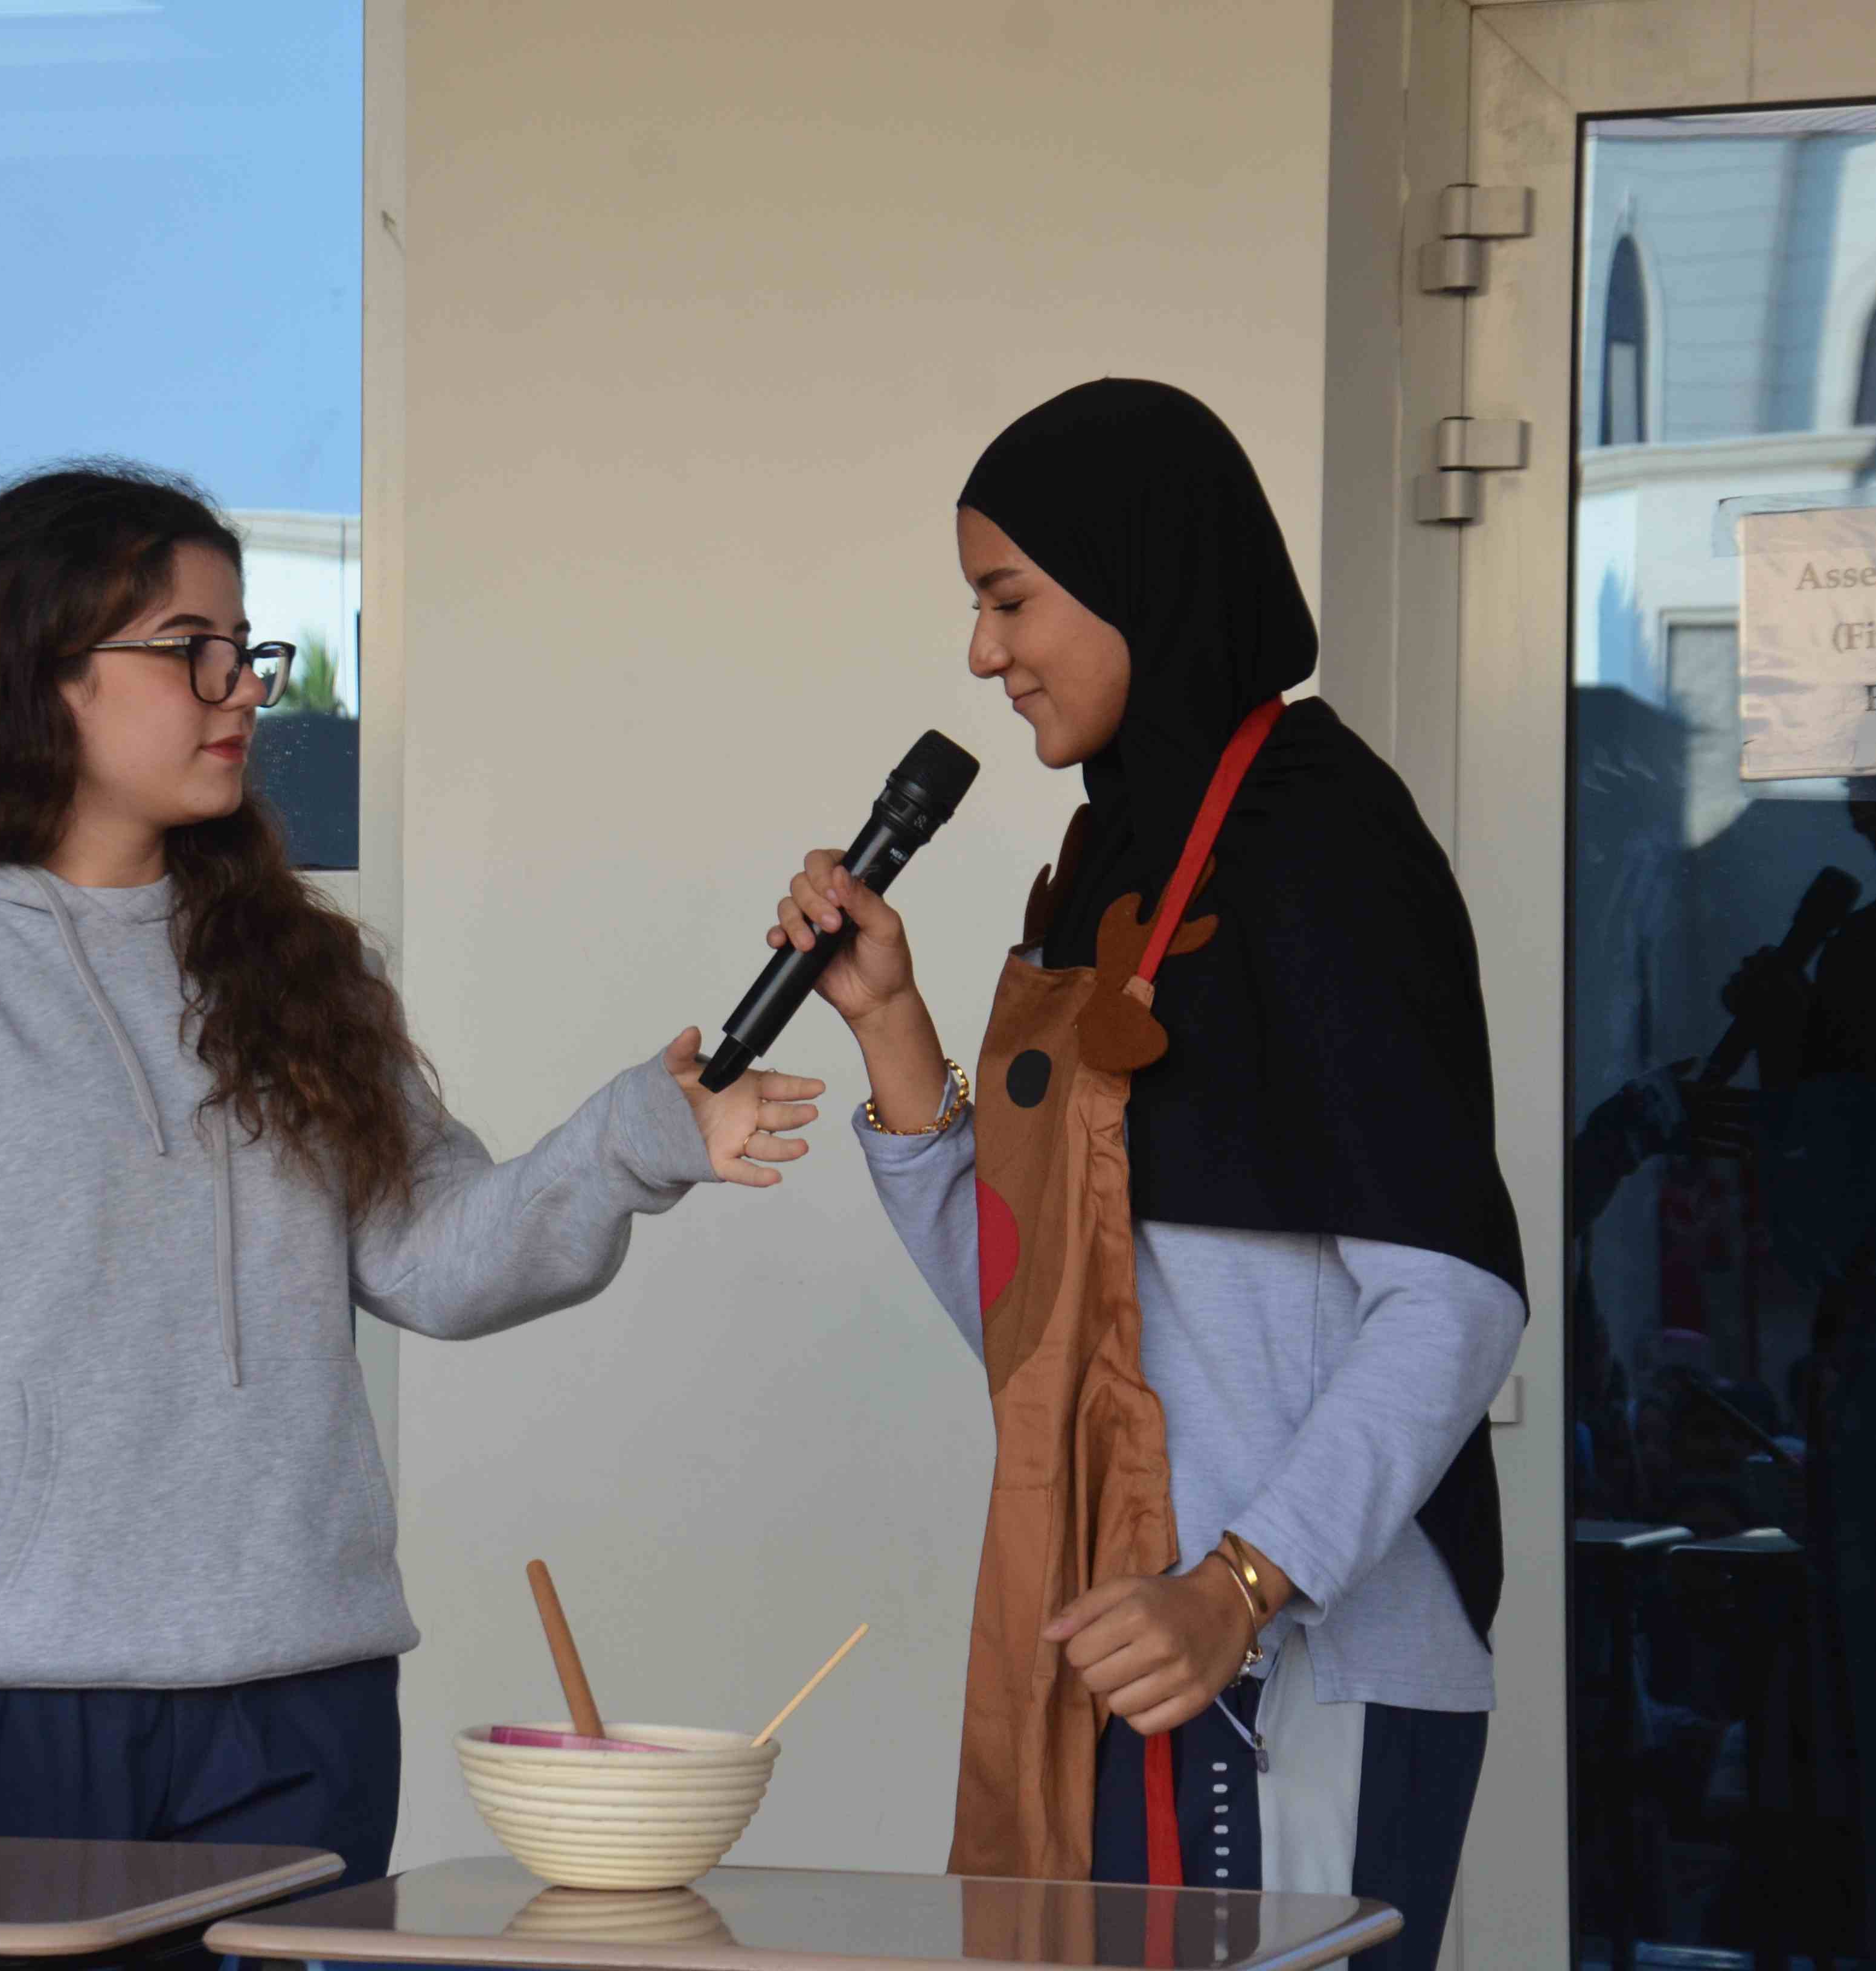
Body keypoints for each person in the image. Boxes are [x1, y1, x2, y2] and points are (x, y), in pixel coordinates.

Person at [0, 463, 821, 1880]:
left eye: (247, 650)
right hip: (1, 1698)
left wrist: (636, 1138)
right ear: (42, 672)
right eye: (193, 650)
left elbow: (433, 1256)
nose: (242, 689)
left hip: (308, 1693)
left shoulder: (296, 970)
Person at [760, 382, 1522, 1965]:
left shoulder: (1328, 850)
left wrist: (1238, 1585)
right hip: (1131, 1644)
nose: (985, 654)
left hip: (1296, 1668)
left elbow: (1455, 1302)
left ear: (1141, 577)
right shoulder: (1110, 862)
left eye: (1009, 599)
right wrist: (891, 1025)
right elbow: (1040, 1330)